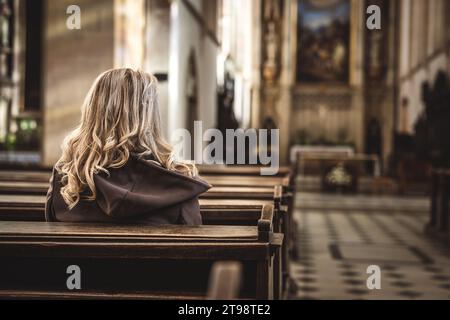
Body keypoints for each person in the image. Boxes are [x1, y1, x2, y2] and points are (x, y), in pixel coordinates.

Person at [45, 68, 211, 225]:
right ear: (150, 117)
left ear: (93, 111)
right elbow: (194, 248)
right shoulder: (180, 184)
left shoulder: (67, 179)